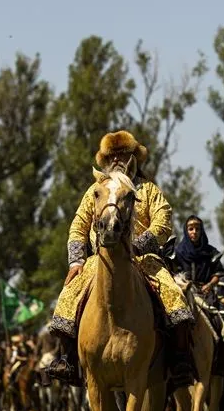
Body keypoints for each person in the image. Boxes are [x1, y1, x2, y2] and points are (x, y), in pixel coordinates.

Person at [45, 130, 198, 388]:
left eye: (123, 154)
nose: (117, 159)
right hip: (100, 259)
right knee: (68, 295)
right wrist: (76, 261)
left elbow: (163, 222)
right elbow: (78, 226)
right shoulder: (95, 190)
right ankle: (68, 360)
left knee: (174, 296)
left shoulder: (148, 190)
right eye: (111, 155)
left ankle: (179, 359)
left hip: (143, 258)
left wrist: (137, 245)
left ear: (134, 157)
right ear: (104, 160)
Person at [172, 214, 224, 295]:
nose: (194, 232)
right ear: (186, 231)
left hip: (206, 294)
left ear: (201, 231)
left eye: (197, 229)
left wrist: (210, 285)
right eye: (191, 229)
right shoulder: (178, 252)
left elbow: (217, 273)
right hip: (184, 293)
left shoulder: (210, 252)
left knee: (211, 308)